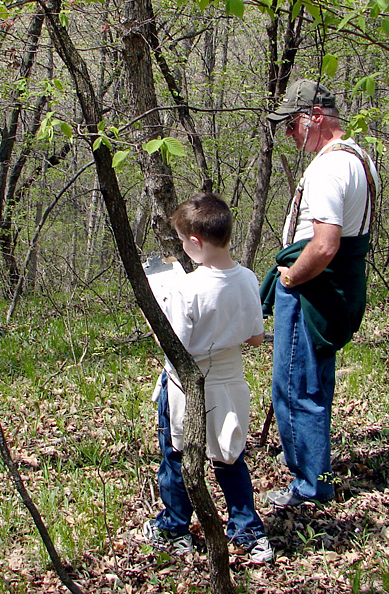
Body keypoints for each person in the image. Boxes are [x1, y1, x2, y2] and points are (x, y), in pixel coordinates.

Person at [262, 79, 378, 508]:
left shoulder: (330, 167)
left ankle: (310, 486)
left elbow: (326, 243)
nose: (290, 135)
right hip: (335, 290)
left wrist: (291, 279)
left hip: (313, 291)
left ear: (314, 117)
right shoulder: (360, 158)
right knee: (315, 384)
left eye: (292, 125)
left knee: (296, 387)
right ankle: (316, 471)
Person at [143, 193, 273, 563]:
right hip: (232, 382)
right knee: (231, 456)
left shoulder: (187, 287)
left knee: (178, 454)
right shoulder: (247, 278)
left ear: (196, 243)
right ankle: (248, 532)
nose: (183, 248)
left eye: (184, 242)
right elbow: (255, 336)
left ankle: (174, 527)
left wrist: (160, 318)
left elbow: (176, 347)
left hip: (187, 385)